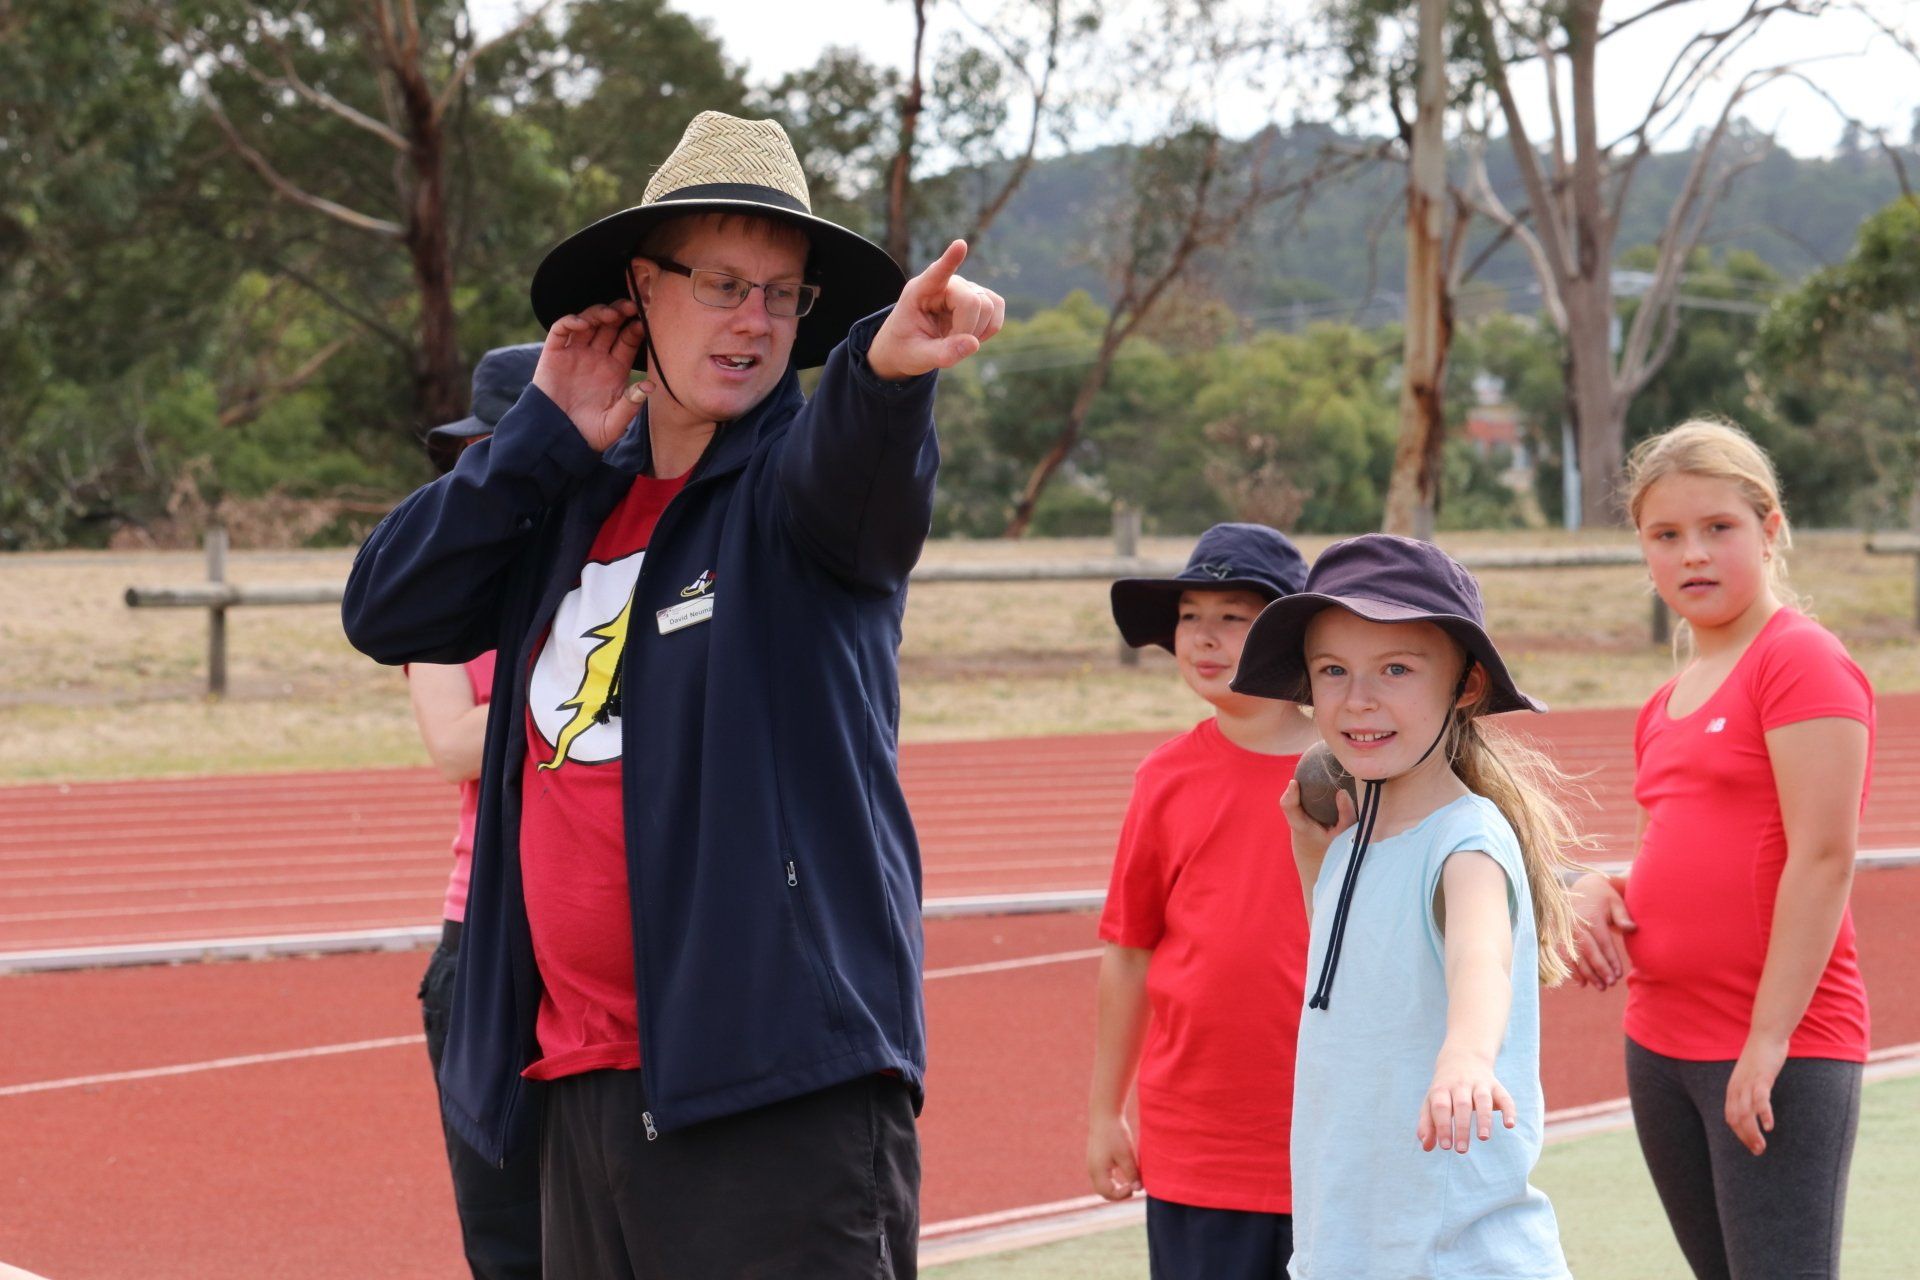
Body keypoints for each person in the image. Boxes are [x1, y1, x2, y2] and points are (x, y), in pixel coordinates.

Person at [342, 111, 1005, 1279]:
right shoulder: (568, 498)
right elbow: (385, 609)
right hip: (581, 1088)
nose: (754, 318)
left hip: (773, 1091)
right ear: (642, 291)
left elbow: (861, 471)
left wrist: (889, 374)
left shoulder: (798, 492)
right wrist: (537, 440)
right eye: (721, 282)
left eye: (783, 293)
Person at [1566, 421, 1872, 1280]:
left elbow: (1825, 856)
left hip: (1778, 1050)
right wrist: (1597, 884)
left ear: (1770, 529)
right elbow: (1674, 846)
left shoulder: (1800, 661)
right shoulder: (1665, 699)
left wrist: (1769, 1041)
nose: (1692, 555)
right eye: (1666, 536)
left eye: (1718, 528)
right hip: (1660, 1044)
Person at [1232, 534, 1580, 1280]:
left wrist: (1466, 1054)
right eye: (1334, 672)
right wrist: (1312, 854)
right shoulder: (1355, 843)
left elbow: (1480, 955)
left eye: (1395, 669)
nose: (1359, 699)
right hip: (1348, 1248)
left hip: (1454, 1258)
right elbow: (1352, 978)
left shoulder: (1467, 840)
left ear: (1466, 686)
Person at [1086, 523, 1319, 1279]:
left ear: (1289, 638)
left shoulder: (1353, 773)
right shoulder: (1165, 779)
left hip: (1332, 1135)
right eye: (1191, 616)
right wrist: (1104, 1112)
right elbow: (1127, 955)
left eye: (1234, 617)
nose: (1205, 637)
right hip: (1200, 1146)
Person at [405, 343, 543, 1280]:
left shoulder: (618, 569)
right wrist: (591, 680)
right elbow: (452, 743)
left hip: (617, 933)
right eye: (478, 456)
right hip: (484, 935)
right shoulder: (441, 594)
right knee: (505, 1235)